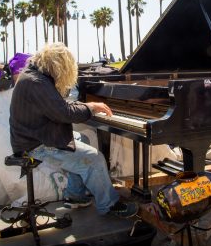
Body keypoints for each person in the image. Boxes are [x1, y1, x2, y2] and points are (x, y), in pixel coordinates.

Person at [9, 43, 138, 218]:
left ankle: (76, 196)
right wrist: (91, 107)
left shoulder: (34, 76)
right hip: (36, 144)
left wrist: (85, 106)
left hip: (36, 135)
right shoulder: (37, 82)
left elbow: (58, 106)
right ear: (58, 65)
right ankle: (109, 205)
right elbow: (64, 113)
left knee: (82, 139)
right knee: (95, 158)